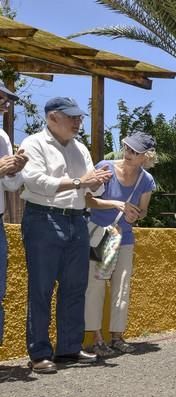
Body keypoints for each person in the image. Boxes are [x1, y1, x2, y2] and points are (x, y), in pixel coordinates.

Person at [20, 97, 113, 374]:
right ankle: (39, 353)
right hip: (42, 218)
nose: (77, 122)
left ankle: (69, 348)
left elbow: (91, 191)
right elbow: (35, 181)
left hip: (77, 219)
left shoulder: (80, 148)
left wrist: (96, 183)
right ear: (52, 118)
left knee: (75, 287)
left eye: (79, 117)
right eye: (72, 117)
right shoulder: (33, 143)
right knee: (41, 288)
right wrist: (79, 182)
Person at [83, 132, 157, 356]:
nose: (128, 154)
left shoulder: (146, 180)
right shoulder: (105, 167)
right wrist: (115, 204)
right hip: (99, 234)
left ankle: (117, 337)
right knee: (95, 286)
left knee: (122, 287)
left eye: (135, 152)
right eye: (127, 148)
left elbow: (143, 211)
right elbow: (87, 199)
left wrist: (136, 215)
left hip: (124, 238)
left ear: (146, 157)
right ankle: (96, 338)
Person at [0, 81, 28, 347]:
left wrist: (16, 169)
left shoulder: (2, 137)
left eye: (6, 102)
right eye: (1, 100)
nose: (4, 106)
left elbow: (10, 186)